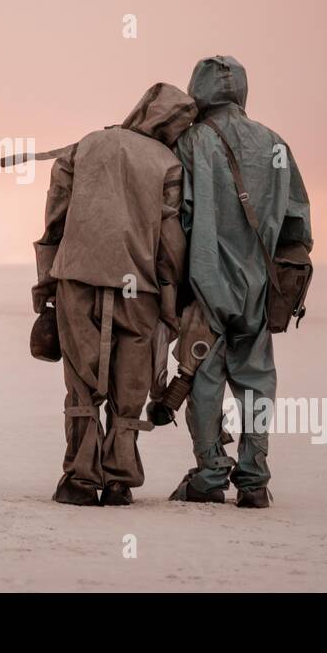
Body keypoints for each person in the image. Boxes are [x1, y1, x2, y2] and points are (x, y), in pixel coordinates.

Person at [31, 83, 197, 506]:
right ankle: (120, 480)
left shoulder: (87, 145)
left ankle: (81, 480)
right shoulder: (167, 163)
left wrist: (45, 287)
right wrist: (169, 300)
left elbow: (55, 217)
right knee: (131, 385)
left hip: (78, 278)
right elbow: (171, 240)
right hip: (137, 287)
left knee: (82, 382)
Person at [167, 56, 312, 508]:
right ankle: (254, 479)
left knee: (203, 375)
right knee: (257, 379)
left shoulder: (190, 141)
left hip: (206, 279)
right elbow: (298, 228)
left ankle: (210, 473)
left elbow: (175, 218)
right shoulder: (275, 144)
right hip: (258, 287)